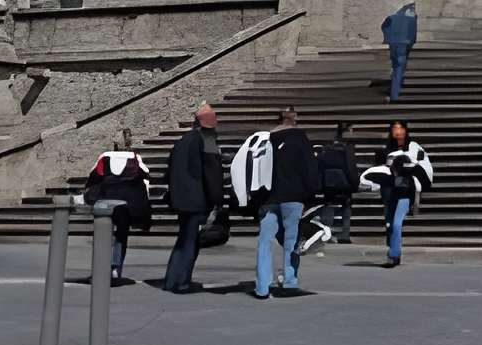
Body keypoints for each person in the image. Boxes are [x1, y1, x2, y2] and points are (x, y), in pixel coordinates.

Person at [233, 104, 321, 299]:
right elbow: (310, 169)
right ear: (295, 118)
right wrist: (311, 197)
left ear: (278, 118)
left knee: (265, 242)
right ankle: (289, 281)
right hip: (293, 197)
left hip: (268, 199)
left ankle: (262, 287)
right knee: (291, 241)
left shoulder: (266, 139)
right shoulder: (300, 138)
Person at [162, 105, 223, 294]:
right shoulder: (206, 140)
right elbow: (212, 174)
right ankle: (181, 281)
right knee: (190, 242)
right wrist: (217, 200)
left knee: (183, 239)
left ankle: (171, 279)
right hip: (197, 199)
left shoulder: (183, 140)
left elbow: (169, 170)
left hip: (180, 199)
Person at [81, 130, 151, 285]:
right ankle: (115, 268)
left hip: (105, 200)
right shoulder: (135, 158)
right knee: (121, 236)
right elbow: (146, 175)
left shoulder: (104, 157)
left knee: (102, 235)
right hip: (126, 203)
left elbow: (92, 176)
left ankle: (99, 269)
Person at [360, 121, 434, 266]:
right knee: (389, 223)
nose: (398, 131)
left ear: (406, 130)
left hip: (405, 190)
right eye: (395, 128)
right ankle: (394, 249)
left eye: (401, 128)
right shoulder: (386, 150)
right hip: (389, 191)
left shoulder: (413, 148)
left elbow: (419, 166)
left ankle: (393, 255)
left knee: (397, 223)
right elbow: (379, 170)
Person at [318, 120, 361, 244]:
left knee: (329, 206)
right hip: (344, 183)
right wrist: (355, 183)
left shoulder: (328, 148)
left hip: (329, 183)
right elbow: (350, 167)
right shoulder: (347, 149)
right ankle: (344, 233)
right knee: (346, 207)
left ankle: (326, 233)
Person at [382, 0, 418, 104]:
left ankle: (393, 90)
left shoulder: (392, 17)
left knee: (395, 66)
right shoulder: (413, 20)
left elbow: (384, 26)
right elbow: (413, 36)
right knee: (399, 68)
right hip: (405, 45)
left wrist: (388, 37)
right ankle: (394, 95)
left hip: (394, 44)